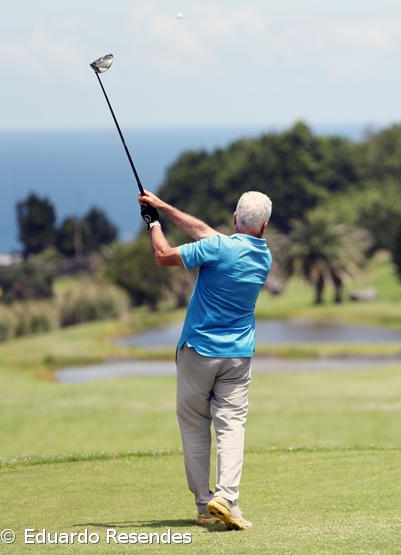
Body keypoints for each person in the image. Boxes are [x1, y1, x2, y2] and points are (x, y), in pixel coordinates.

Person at [138, 189, 272, 531]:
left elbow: (163, 255)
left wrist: (153, 222)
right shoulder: (262, 256)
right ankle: (226, 498)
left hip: (198, 352)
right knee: (231, 426)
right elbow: (204, 232)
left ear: (234, 219)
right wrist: (164, 206)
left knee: (196, 427)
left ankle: (204, 504)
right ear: (264, 226)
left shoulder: (217, 248)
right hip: (238, 358)